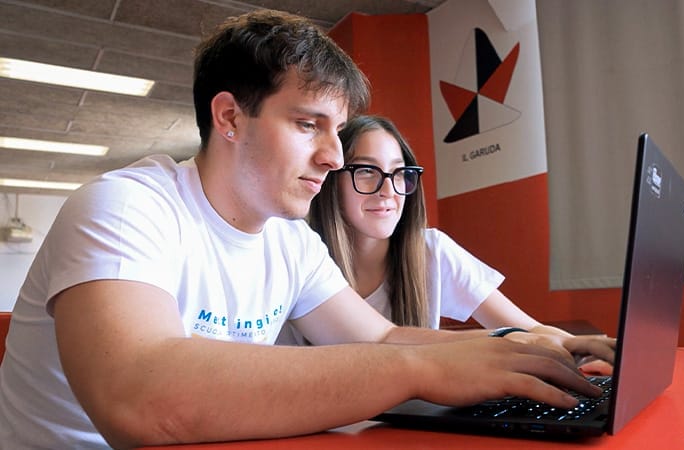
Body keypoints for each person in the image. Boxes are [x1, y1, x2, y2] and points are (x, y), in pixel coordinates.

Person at [0, 9, 611, 450]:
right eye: (307, 125)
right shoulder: (126, 207)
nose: (335, 157)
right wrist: (424, 371)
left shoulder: (290, 241)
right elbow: (141, 400)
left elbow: (378, 340)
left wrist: (519, 347)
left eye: (334, 129)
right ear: (229, 117)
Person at [282, 115, 613, 371]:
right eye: (367, 171)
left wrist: (582, 350)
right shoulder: (301, 260)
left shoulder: (430, 251)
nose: (389, 190)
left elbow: (523, 327)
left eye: (399, 173)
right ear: (331, 180)